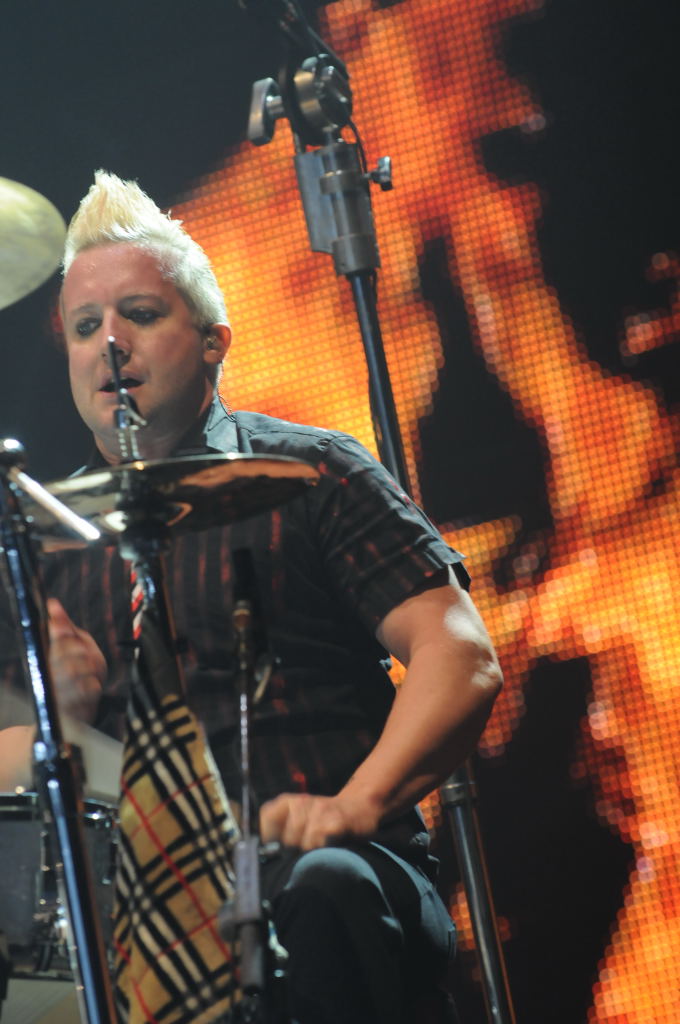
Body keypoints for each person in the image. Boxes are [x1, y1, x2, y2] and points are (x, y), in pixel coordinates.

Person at [0, 171, 502, 1024]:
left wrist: (355, 805)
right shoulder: (42, 541)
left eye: (140, 314)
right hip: (134, 909)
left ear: (213, 343)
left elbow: (460, 654)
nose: (110, 343)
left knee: (325, 888)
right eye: (85, 327)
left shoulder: (313, 471)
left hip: (323, 873)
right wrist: (56, 719)